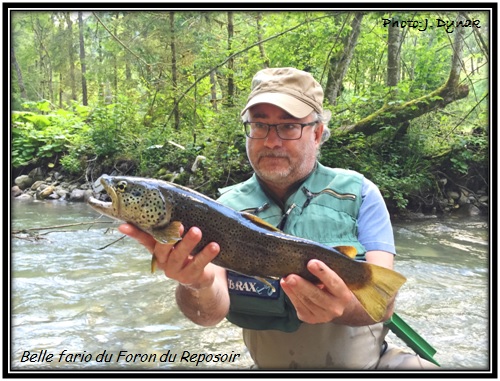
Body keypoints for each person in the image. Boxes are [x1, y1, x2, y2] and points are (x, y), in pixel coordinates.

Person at [119, 67, 439, 370]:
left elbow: (383, 303)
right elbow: (207, 314)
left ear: (317, 134)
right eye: (259, 125)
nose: (271, 141)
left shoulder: (361, 194)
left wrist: (343, 308)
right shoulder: (223, 208)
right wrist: (193, 282)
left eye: (288, 126)